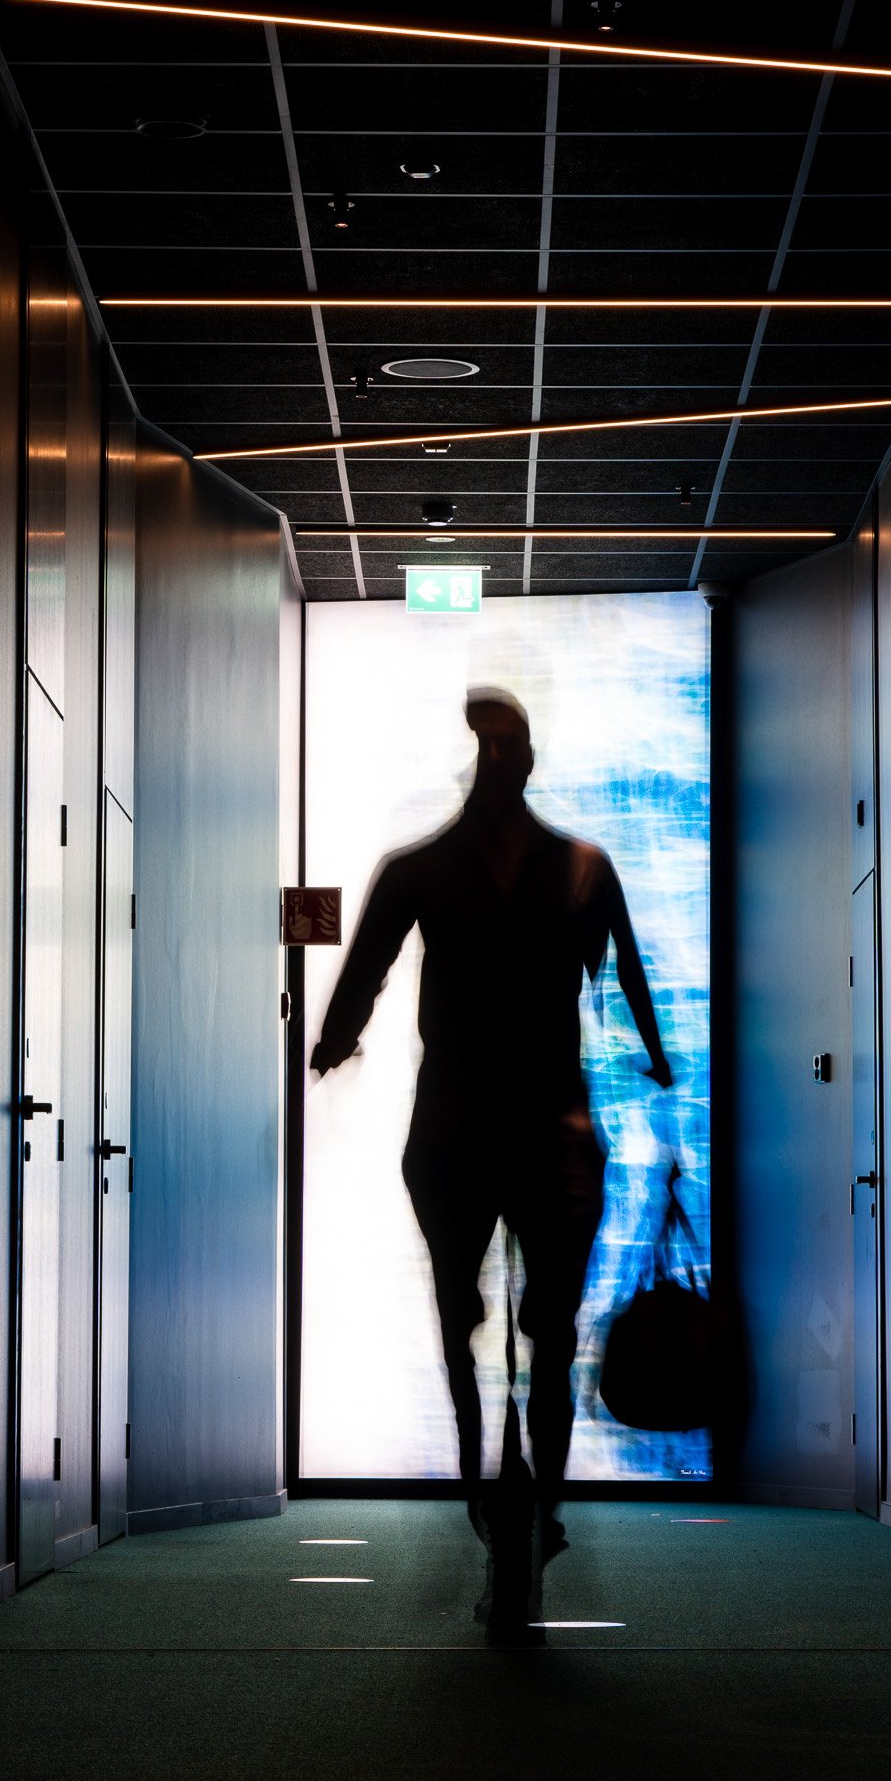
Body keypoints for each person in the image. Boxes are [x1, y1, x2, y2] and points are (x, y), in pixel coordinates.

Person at [311, 689, 671, 1631]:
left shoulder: (441, 869)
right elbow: (627, 977)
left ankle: (512, 1503)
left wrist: (335, 1042)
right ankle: (517, 1505)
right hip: (517, 1130)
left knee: (498, 1325)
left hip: (481, 1129)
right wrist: (656, 1058)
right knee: (524, 1329)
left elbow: (365, 975)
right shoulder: (566, 868)